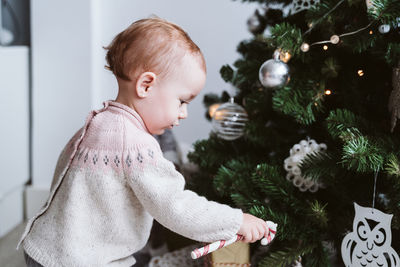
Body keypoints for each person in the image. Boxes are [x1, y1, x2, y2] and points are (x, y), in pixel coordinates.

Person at [18, 17, 269, 266]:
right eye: (182, 101)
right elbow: (176, 207)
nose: (184, 113)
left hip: (44, 248)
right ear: (146, 85)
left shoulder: (97, 122)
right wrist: (236, 221)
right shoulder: (136, 145)